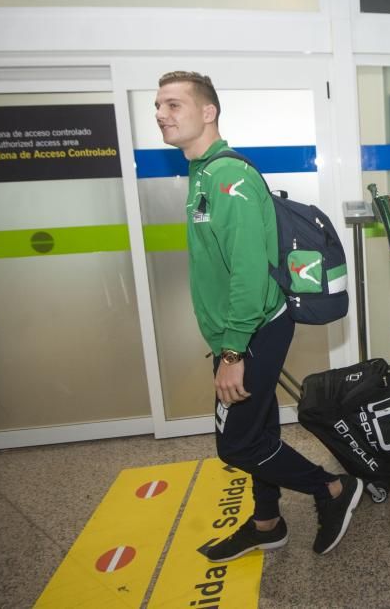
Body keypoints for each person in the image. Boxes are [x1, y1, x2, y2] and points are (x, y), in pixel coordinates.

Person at [155, 70, 363, 562]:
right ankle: (267, 523)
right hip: (236, 332)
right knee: (261, 432)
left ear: (208, 112)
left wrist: (232, 353)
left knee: (239, 446)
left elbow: (251, 278)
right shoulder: (202, 173)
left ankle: (332, 489)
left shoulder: (230, 178)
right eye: (158, 107)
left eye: (173, 105)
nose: (162, 115)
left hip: (252, 332)